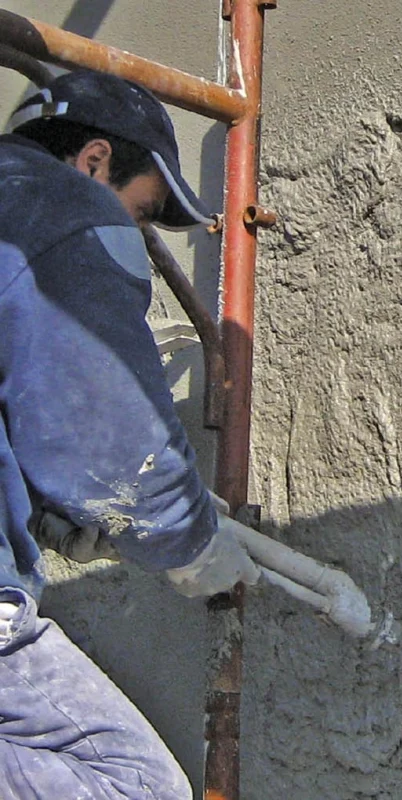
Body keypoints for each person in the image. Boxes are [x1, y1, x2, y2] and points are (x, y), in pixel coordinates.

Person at [0, 69, 262, 799]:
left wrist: (40, 506)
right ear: (93, 162)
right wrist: (189, 541)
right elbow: (111, 441)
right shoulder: (54, 204)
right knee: (135, 788)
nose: (137, 234)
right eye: (142, 211)